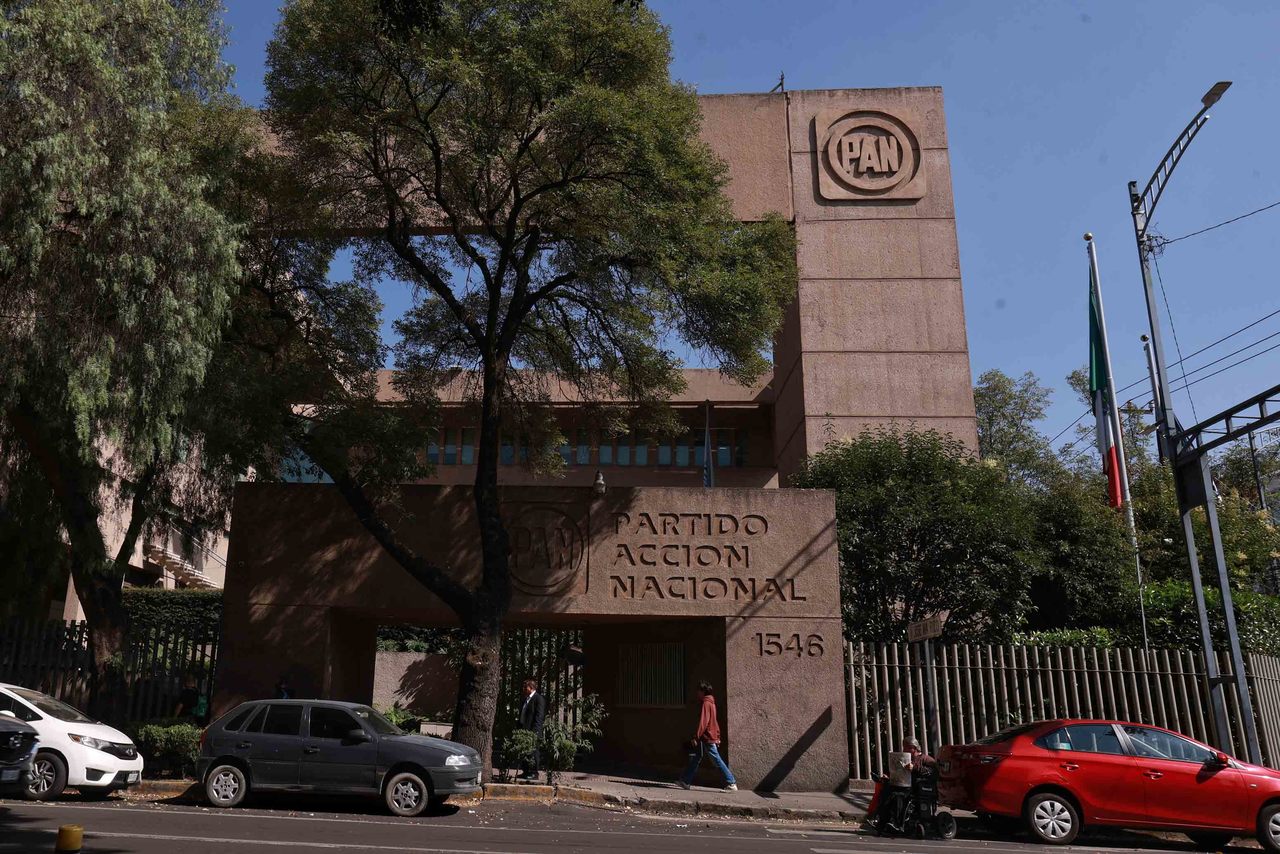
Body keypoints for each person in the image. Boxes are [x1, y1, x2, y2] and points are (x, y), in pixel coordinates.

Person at [678, 680, 737, 792]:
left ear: (703, 691)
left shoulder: (706, 703)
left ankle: (731, 782)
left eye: (699, 691)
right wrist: (718, 736)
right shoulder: (712, 703)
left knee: (716, 759)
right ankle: (685, 781)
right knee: (697, 757)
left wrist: (696, 736)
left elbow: (703, 722)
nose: (697, 693)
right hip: (707, 736)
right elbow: (714, 721)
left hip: (707, 737)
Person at [517, 678, 546, 781]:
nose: (524, 689)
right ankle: (526, 771)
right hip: (524, 730)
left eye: (526, 687)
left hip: (533, 730)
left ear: (531, 688)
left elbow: (539, 716)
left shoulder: (538, 699)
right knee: (525, 751)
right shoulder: (525, 699)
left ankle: (534, 772)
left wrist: (535, 731)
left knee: (533, 752)